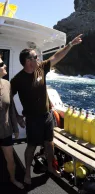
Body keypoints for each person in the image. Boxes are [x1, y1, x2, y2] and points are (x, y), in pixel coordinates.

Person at [11, 34, 82, 185]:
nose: (38, 58)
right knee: (31, 146)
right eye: (35, 57)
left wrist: (70, 44)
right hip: (33, 119)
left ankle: (50, 167)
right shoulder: (17, 79)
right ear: (27, 61)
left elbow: (57, 57)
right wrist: (17, 116)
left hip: (47, 115)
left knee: (49, 143)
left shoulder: (42, 68)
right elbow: (7, 98)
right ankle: (27, 173)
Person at [0, 53, 24, 189]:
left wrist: (15, 128)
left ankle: (13, 179)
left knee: (11, 161)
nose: (5, 65)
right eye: (1, 64)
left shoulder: (7, 84)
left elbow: (12, 109)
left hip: (5, 131)